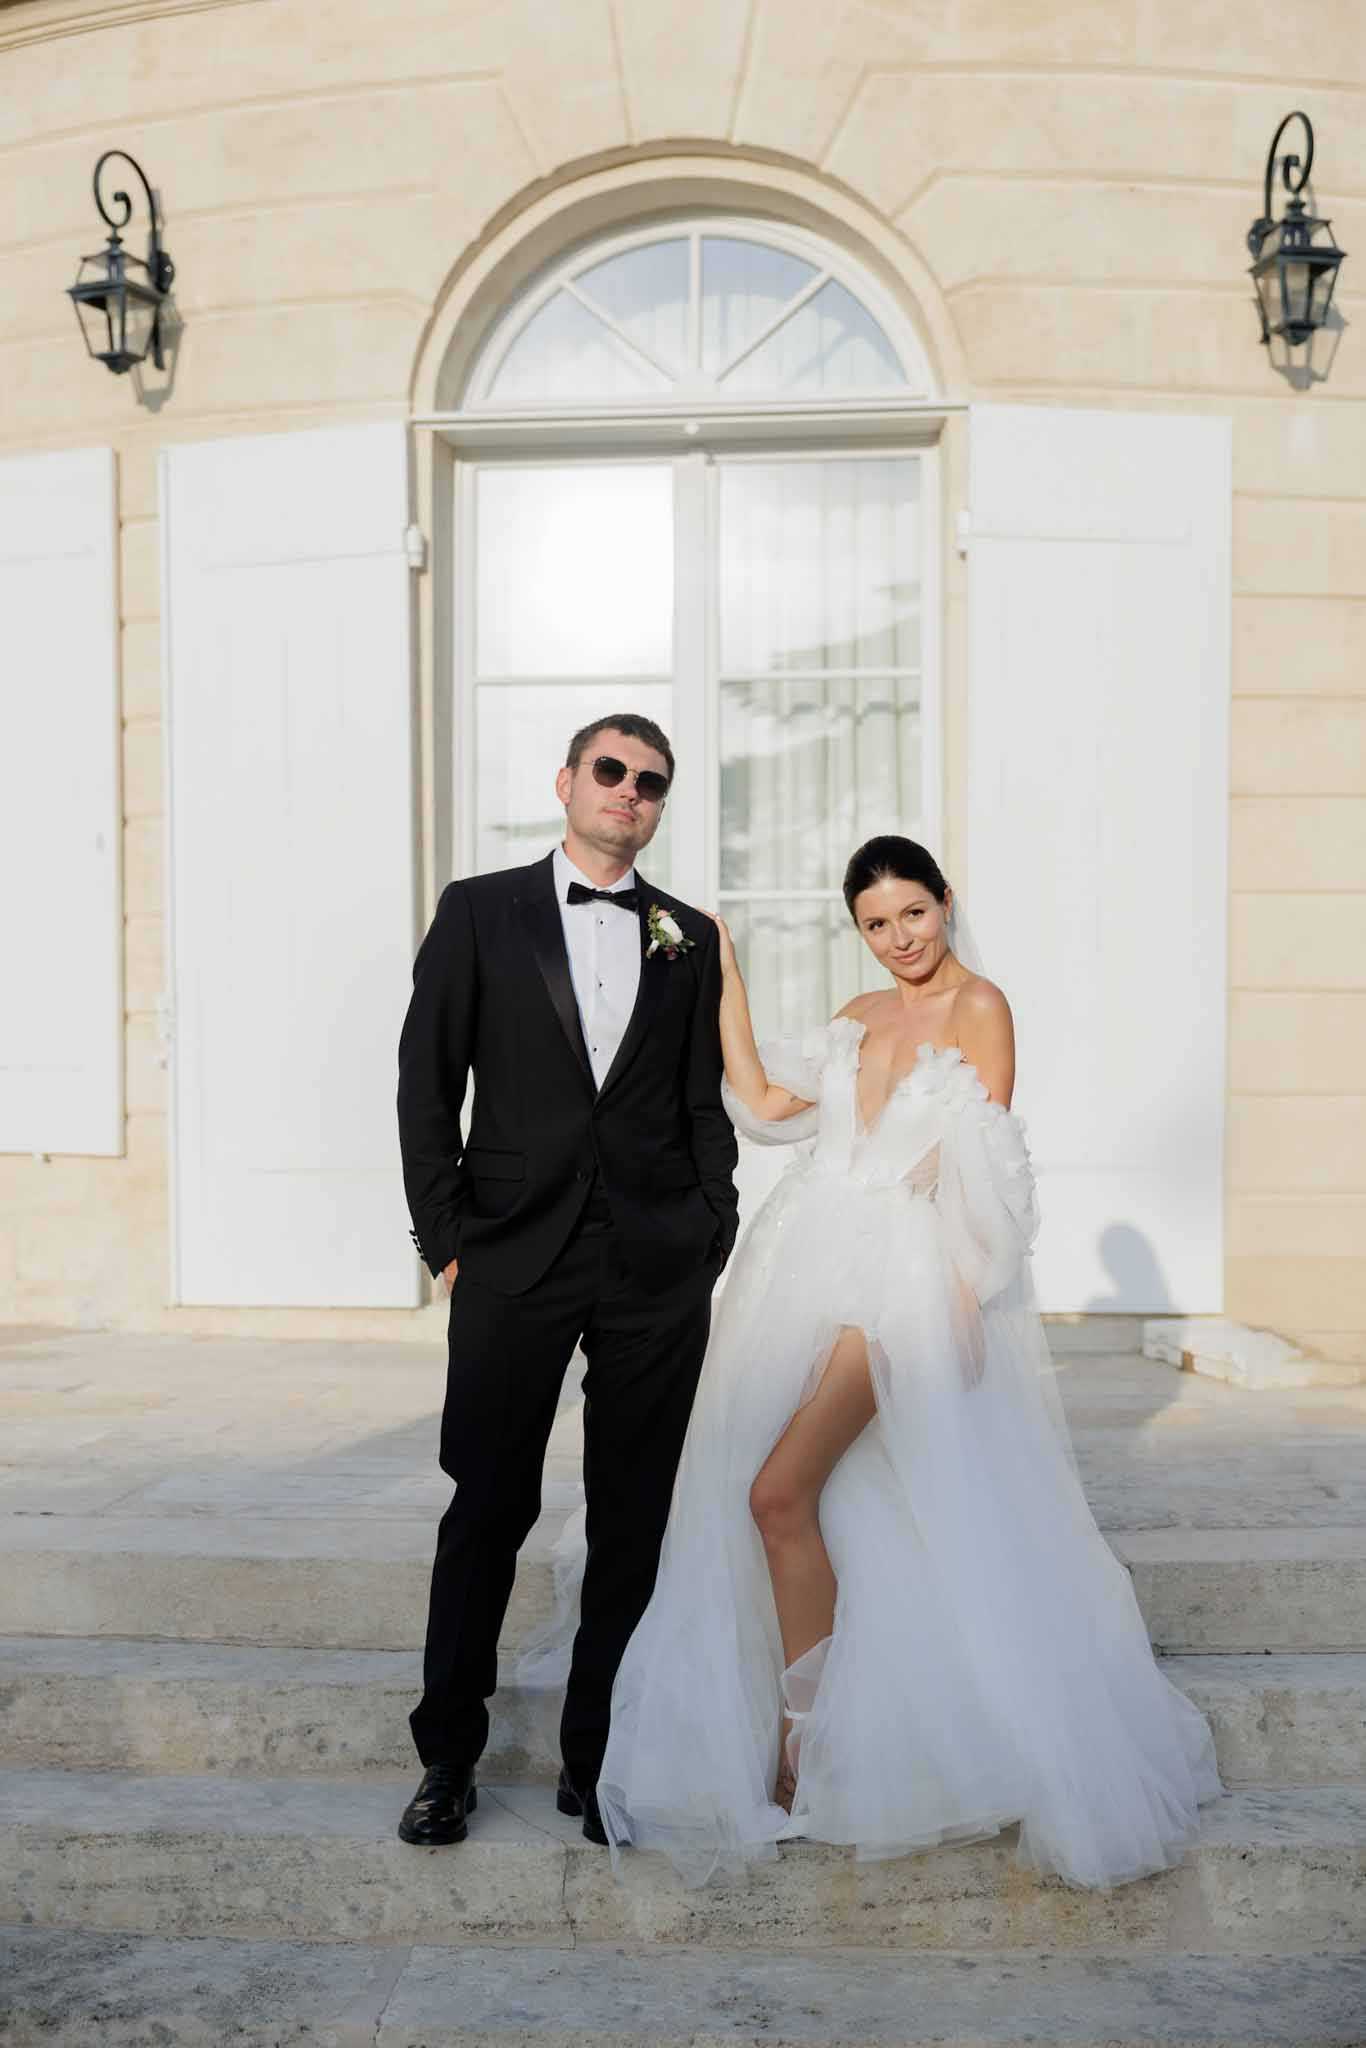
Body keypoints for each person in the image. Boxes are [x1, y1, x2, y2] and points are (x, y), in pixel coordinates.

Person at [597, 834, 1222, 1889]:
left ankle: (806, 1748)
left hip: (898, 1280)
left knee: (775, 1491)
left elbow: (979, 1156)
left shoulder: (980, 1007)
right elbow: (758, 1100)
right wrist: (725, 974)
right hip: (804, 1265)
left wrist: (959, 1287)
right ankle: (826, 1727)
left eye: (913, 915)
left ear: (944, 902)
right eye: (877, 924)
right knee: (825, 1503)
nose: (899, 940)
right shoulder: (857, 1013)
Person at [395, 714, 737, 1848]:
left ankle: (597, 1759)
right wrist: (446, 1235)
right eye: (610, 770)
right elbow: (424, 1081)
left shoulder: (687, 933)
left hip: (652, 1266)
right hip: (510, 1251)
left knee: (633, 1516)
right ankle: (447, 1756)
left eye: (650, 781)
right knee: (487, 1505)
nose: (628, 791)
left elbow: (700, 1103)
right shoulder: (478, 908)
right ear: (566, 781)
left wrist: (709, 1229)